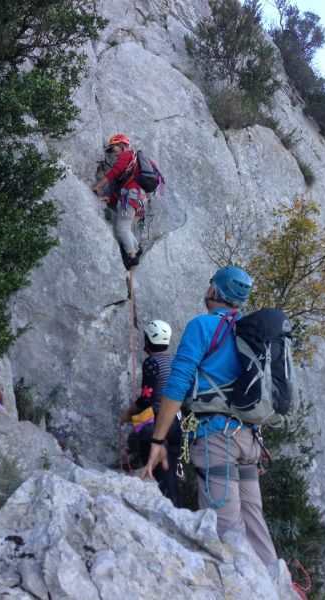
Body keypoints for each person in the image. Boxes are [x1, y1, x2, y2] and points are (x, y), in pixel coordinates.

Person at [141, 266, 277, 567]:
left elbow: (176, 386)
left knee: (226, 532)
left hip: (218, 441)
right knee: (254, 523)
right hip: (249, 440)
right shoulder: (250, 333)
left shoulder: (203, 326)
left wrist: (158, 439)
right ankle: (274, 585)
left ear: (215, 291)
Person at [121, 319, 182, 507]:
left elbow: (146, 399)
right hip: (175, 422)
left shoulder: (151, 363)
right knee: (170, 472)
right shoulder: (174, 362)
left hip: (156, 424)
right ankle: (178, 508)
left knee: (158, 474)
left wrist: (126, 415)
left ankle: (165, 511)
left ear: (148, 340)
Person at [93, 134, 146, 270]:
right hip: (133, 197)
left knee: (121, 228)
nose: (114, 152)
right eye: (111, 150)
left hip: (129, 197)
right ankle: (137, 249)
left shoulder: (126, 155)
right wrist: (111, 198)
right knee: (125, 227)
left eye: (114, 148)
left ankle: (132, 256)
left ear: (122, 145)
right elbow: (122, 182)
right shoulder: (132, 160)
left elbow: (113, 173)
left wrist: (99, 186)